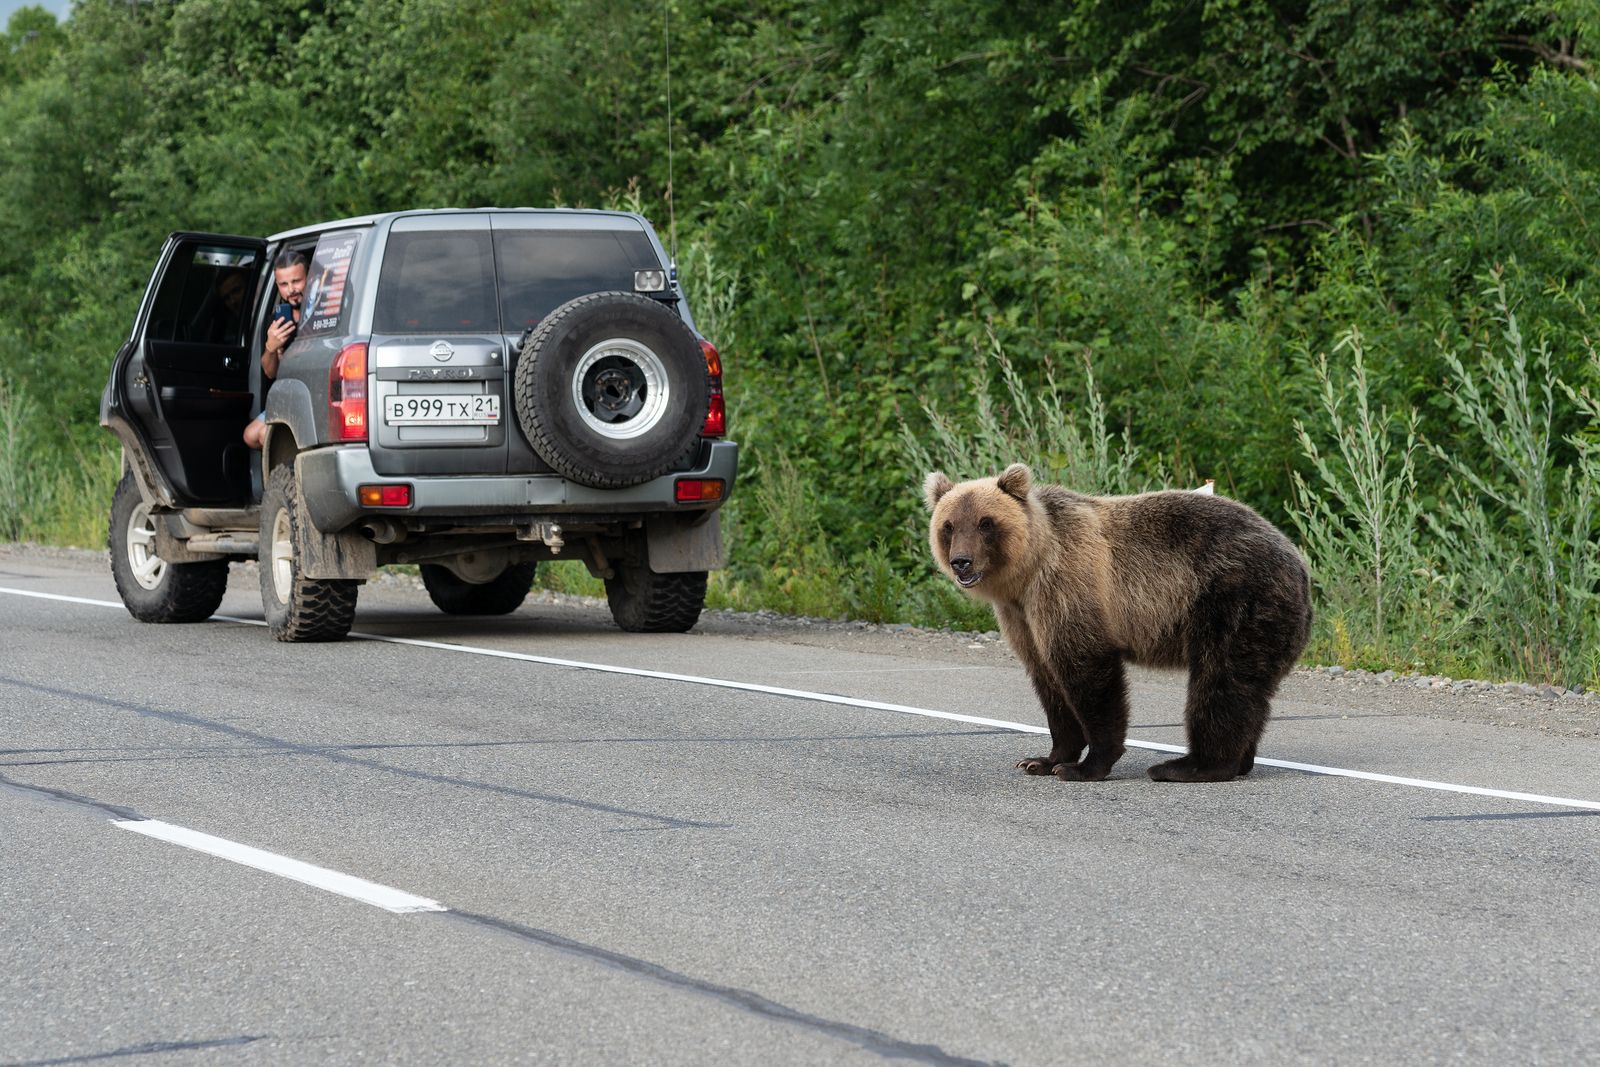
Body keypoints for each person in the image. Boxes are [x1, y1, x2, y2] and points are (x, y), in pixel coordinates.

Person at [244, 250, 308, 451]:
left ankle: (292, 470)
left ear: (310, 277)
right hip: (289, 394)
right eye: (284, 284)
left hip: (311, 393)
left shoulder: (323, 312)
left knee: (266, 436)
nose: (291, 290)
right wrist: (271, 348)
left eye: (296, 281)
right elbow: (270, 372)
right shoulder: (277, 322)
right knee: (250, 436)